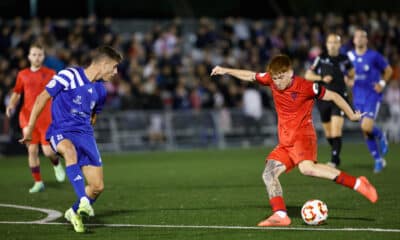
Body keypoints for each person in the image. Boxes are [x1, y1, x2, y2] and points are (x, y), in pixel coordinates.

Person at [210, 54, 378, 227]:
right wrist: (225, 70)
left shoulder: (306, 87)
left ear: (290, 72)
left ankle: (358, 183)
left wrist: (351, 115)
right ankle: (281, 215)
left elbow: (333, 96)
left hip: (303, 137)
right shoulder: (271, 79)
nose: (277, 82)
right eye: (274, 78)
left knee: (307, 169)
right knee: (268, 174)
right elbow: (250, 75)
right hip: (285, 142)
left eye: (280, 77)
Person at [20, 46, 123, 233]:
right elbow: (42, 97)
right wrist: (30, 128)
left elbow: (94, 115)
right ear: (104, 64)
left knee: (97, 186)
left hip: (84, 135)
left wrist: (86, 132)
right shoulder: (69, 75)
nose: (116, 72)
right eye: (114, 67)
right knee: (69, 151)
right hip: (60, 130)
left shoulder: (101, 90)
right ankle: (83, 201)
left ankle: (74, 212)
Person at [5, 42, 65, 193]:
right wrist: (11, 104)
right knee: (32, 150)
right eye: (34, 54)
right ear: (29, 56)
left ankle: (56, 164)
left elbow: (58, 91)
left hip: (46, 118)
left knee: (48, 152)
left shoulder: (51, 73)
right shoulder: (22, 74)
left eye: (40, 54)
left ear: (43, 56)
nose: (37, 57)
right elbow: (17, 92)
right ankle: (38, 182)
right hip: (27, 116)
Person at [305, 33, 355, 167]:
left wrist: (350, 80)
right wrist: (321, 79)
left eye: (335, 42)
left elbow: (352, 73)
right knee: (328, 133)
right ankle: (336, 153)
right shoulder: (321, 58)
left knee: (336, 130)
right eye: (330, 42)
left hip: (340, 98)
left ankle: (333, 160)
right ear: (327, 44)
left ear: (339, 44)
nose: (332, 45)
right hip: (324, 98)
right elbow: (308, 75)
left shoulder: (344, 59)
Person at [347, 29, 393, 173]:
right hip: (357, 97)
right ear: (354, 40)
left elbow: (389, 70)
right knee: (365, 131)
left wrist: (382, 84)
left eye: (363, 37)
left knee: (366, 127)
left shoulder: (374, 56)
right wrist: (347, 79)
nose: (360, 39)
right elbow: (345, 74)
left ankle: (381, 135)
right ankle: (378, 160)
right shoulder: (348, 56)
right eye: (357, 36)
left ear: (367, 40)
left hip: (372, 95)